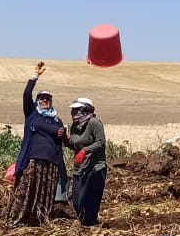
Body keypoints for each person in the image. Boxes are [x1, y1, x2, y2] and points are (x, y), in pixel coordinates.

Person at [7, 68, 70, 227]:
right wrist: (35, 76)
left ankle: (38, 221)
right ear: (37, 100)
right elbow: (26, 94)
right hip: (32, 160)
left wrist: (63, 136)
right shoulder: (32, 114)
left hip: (51, 163)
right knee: (26, 190)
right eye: (42, 98)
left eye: (48, 99)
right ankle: (17, 220)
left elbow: (61, 142)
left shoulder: (57, 120)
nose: (45, 101)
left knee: (45, 192)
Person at [65, 96, 107, 227]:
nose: (73, 114)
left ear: (84, 110)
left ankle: (89, 224)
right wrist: (64, 140)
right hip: (80, 168)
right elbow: (74, 145)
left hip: (94, 168)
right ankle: (85, 222)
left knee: (89, 199)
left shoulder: (94, 123)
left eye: (76, 110)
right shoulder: (74, 126)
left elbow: (101, 142)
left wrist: (85, 151)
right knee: (77, 201)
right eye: (73, 111)